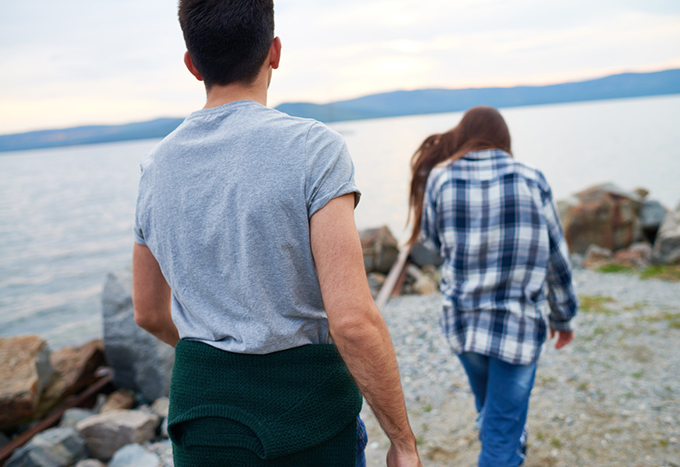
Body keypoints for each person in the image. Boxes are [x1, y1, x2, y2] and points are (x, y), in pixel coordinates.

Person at [131, 1, 422, 466]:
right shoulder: (314, 149)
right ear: (275, 52)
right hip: (309, 417)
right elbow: (351, 320)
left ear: (191, 64)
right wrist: (402, 441)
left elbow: (147, 313)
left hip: (203, 419)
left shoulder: (155, 169)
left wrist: (220, 355)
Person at [408, 106, 578, 467]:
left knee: (492, 411)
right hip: (518, 327)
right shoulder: (532, 178)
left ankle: (510, 446)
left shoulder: (442, 178)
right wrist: (563, 318)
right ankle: (508, 450)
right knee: (501, 427)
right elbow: (557, 258)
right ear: (504, 140)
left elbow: (434, 245)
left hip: (464, 325)